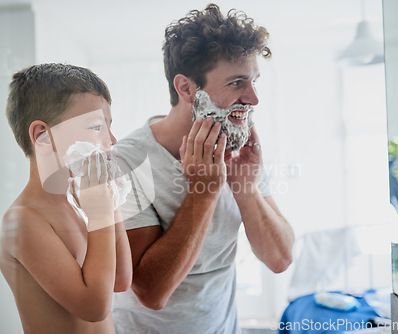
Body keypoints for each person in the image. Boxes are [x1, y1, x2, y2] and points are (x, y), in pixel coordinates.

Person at [112, 4, 295, 333]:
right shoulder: (126, 162)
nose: (253, 98)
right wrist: (204, 192)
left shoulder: (237, 151)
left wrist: (246, 187)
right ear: (186, 88)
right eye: (237, 82)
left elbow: (280, 259)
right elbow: (151, 292)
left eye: (253, 81)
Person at [0, 63, 132, 334]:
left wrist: (111, 201)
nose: (112, 139)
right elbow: (94, 308)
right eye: (97, 127)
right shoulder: (23, 220)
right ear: (44, 137)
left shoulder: (77, 204)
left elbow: (120, 280)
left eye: (109, 126)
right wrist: (101, 214)